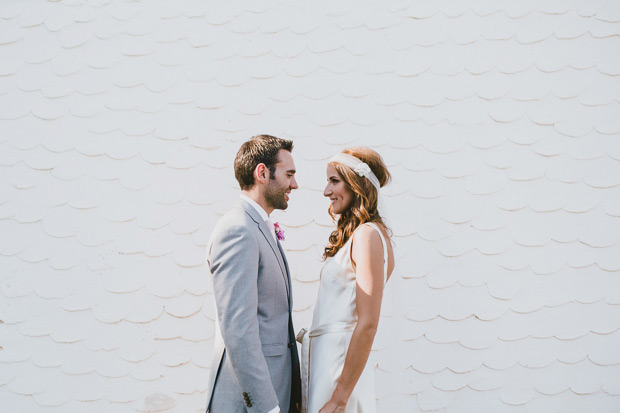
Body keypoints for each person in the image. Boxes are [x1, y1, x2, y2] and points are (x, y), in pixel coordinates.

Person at [205, 135, 302, 413]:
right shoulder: (238, 230)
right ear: (262, 172)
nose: (294, 184)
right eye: (289, 174)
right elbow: (238, 330)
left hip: (274, 392)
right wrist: (266, 407)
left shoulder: (256, 226)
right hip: (248, 403)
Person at [299, 147, 394, 413]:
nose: (326, 191)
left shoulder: (367, 236)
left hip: (339, 370)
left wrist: (339, 398)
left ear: (357, 184)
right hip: (328, 366)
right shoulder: (365, 236)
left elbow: (367, 324)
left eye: (334, 181)